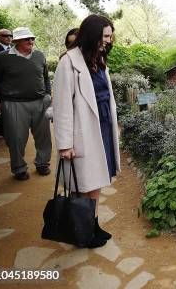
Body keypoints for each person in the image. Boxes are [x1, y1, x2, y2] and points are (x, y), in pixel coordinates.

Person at [53, 14, 120, 248]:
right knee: (85, 183)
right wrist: (65, 144)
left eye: (111, 36)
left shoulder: (98, 59)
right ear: (92, 34)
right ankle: (83, 229)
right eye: (105, 36)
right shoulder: (68, 62)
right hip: (83, 128)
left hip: (102, 126)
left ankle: (92, 223)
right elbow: (61, 106)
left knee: (97, 179)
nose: (109, 41)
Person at [0, 27, 52, 180]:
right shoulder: (2, 57)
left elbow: (46, 77)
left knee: (44, 137)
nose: (31, 41)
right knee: (15, 139)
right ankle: (19, 168)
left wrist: (48, 94)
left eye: (32, 38)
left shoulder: (39, 55)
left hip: (39, 101)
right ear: (16, 41)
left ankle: (43, 163)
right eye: (26, 39)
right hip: (13, 103)